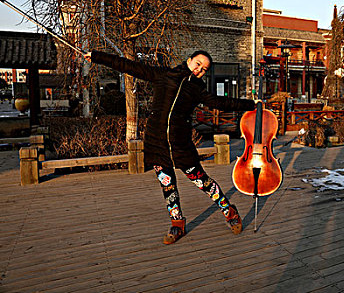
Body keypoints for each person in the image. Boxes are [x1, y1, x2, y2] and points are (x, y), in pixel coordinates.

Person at [83, 50, 255, 244]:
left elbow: (219, 102)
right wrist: (96, 56)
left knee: (203, 183)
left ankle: (229, 211)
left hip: (181, 144)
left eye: (204, 69)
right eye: (197, 64)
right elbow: (129, 66)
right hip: (157, 144)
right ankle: (177, 224)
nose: (199, 70)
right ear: (189, 60)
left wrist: (251, 105)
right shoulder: (164, 75)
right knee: (168, 186)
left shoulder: (198, 88)